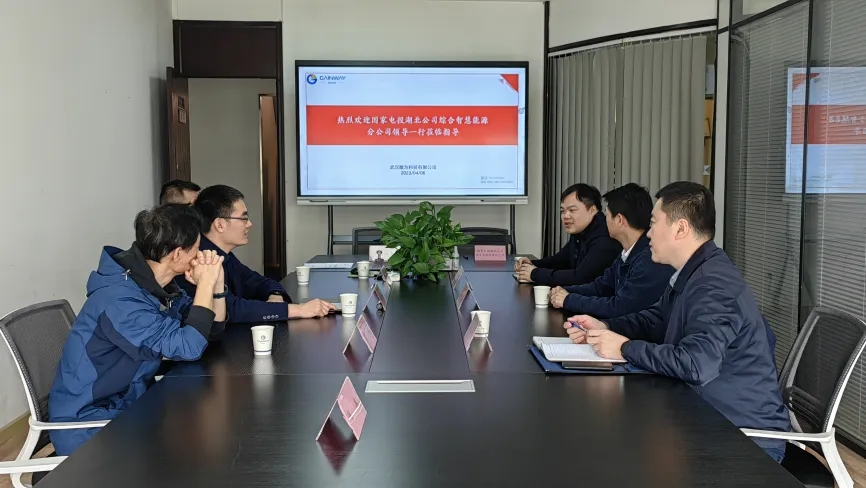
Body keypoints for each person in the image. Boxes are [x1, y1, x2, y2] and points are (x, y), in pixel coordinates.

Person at [564, 181, 791, 462]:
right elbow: (655, 318)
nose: (648, 233)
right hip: (705, 416)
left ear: (681, 229)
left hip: (742, 439)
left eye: (653, 223)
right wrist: (606, 327)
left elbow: (696, 364)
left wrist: (624, 348)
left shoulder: (713, 284)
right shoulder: (692, 271)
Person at [48, 204, 227, 455]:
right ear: (177, 254)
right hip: (89, 425)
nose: (200, 256)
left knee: (205, 428)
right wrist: (205, 284)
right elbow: (189, 347)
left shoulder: (154, 286)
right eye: (197, 249)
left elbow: (210, 330)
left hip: (129, 404)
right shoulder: (120, 300)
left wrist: (216, 284)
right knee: (200, 444)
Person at [180, 184, 333, 323]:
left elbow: (257, 281)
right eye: (244, 218)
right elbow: (231, 309)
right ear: (220, 224)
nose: (249, 224)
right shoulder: (198, 260)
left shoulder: (224, 256)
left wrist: (275, 295)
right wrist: (298, 310)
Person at [548, 183, 674, 318]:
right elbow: (601, 287)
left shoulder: (650, 258)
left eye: (607, 214)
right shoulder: (627, 252)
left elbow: (619, 307)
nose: (604, 220)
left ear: (619, 220)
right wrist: (564, 291)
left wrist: (569, 299)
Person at [515, 183, 621, 286]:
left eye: (572, 210)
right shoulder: (581, 230)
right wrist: (532, 264)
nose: (566, 216)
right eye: (562, 211)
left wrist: (535, 274)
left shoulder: (604, 237)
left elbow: (581, 278)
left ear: (592, 210)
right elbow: (561, 260)